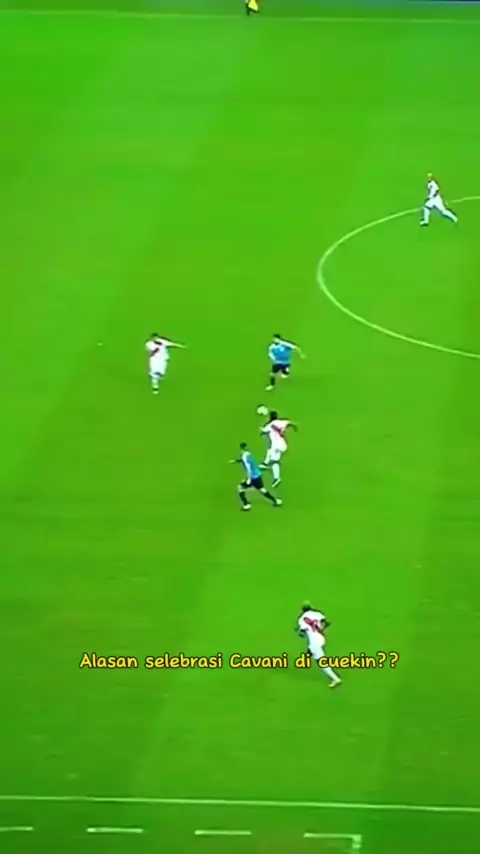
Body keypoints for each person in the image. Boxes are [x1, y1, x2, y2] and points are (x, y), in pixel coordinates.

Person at [297, 605, 340, 688]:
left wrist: (300, 632)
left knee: (321, 662)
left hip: (315, 643)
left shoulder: (301, 619)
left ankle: (335, 679)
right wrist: (321, 628)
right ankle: (309, 654)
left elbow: (302, 634)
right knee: (312, 650)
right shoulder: (317, 613)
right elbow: (326, 623)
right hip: (321, 638)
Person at [232, 442, 282, 511]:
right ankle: (276, 501)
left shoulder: (244, 456)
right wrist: (236, 461)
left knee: (240, 487)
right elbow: (247, 461)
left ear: (241, 449)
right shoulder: (249, 454)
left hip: (252, 477)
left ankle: (246, 505)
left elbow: (248, 468)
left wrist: (249, 479)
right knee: (262, 489)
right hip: (258, 475)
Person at [260, 410, 297, 487]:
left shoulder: (269, 425)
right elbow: (289, 423)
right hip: (283, 445)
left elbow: (263, 431)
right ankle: (266, 464)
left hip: (276, 446)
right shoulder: (281, 422)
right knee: (272, 453)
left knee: (273, 459)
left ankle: (274, 474)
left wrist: (264, 427)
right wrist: (294, 427)